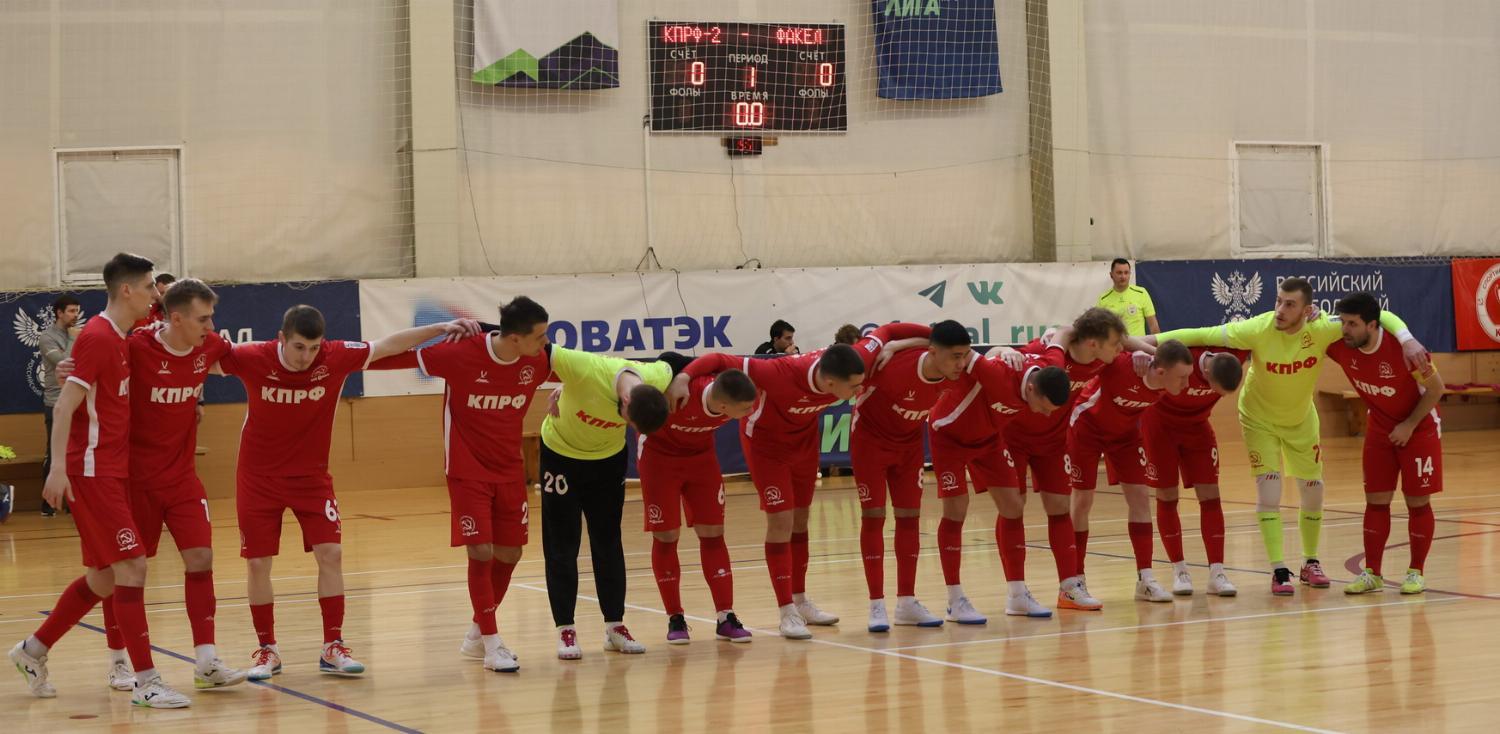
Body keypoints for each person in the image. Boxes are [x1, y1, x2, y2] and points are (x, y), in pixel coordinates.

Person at [217, 305, 479, 680]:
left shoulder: (335, 356)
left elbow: (388, 345)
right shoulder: (253, 357)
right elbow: (202, 360)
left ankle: (333, 645)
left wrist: (439, 327)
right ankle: (267, 649)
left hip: (311, 478)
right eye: (298, 347)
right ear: (281, 339)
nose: (306, 357)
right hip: (257, 478)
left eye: (313, 348)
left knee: (332, 554)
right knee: (258, 563)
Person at [1153, 278, 1428, 595]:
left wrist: (1407, 339)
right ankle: (1278, 570)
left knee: (1314, 492)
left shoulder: (1322, 328)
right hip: (1259, 420)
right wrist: (1144, 341)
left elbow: (1382, 316)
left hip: (1300, 421)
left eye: (1289, 304)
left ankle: (1310, 562)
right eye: (1278, 301)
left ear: (1307, 310)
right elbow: (1199, 334)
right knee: (1270, 491)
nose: (1280, 310)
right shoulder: (1258, 328)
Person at [9, 253, 194, 707]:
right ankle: (146, 682)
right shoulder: (97, 337)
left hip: (113, 470)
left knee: (104, 578)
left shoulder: (119, 335)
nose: (154, 294)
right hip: (92, 472)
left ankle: (33, 650)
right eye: (149, 286)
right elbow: (64, 405)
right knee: (132, 567)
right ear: (127, 290)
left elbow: (174, 318)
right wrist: (57, 469)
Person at [667, 332, 906, 639]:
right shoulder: (779, 371)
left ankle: (800, 599)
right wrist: (684, 377)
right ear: (830, 382)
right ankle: (786, 612)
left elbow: (888, 333)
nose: (859, 390)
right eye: (853, 387)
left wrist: (900, 345)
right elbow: (718, 359)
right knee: (781, 522)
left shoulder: (852, 361)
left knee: (801, 520)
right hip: (766, 447)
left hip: (804, 445)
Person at [369, 297, 552, 673]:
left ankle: (476, 634)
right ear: (515, 338)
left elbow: (587, 371)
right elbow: (386, 359)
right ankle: (492, 643)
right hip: (467, 469)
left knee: (510, 554)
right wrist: (345, 362)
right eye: (540, 336)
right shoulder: (460, 353)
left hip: (510, 471)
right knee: (480, 551)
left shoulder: (538, 360)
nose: (546, 343)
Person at [91, 279, 246, 691]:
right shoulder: (136, 347)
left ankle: (206, 661)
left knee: (201, 557)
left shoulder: (210, 347)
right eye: (203, 319)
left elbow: (253, 358)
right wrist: (68, 367)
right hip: (134, 481)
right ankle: (118, 660)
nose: (211, 327)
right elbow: (94, 366)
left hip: (181, 479)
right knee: (122, 572)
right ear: (176, 319)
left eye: (212, 318)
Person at [541, 345, 678, 660]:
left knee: (608, 542)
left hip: (608, 463)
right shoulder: (585, 367)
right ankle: (565, 629)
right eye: (631, 422)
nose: (628, 426)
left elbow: (677, 360)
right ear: (627, 400)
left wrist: (682, 380)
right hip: (561, 457)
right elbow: (529, 342)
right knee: (563, 545)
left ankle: (615, 626)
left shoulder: (653, 376)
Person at [849, 321, 975, 632]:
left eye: (965, 356)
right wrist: (892, 344)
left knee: (910, 518)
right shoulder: (892, 365)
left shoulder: (956, 370)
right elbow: (856, 369)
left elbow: (939, 338)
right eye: (955, 357)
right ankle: (876, 605)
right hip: (870, 441)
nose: (962, 364)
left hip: (909, 445)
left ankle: (906, 602)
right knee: (874, 517)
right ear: (932, 353)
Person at [928, 350, 1072, 618]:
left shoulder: (1050, 365)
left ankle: (1017, 596)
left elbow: (1061, 335)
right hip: (949, 435)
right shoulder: (999, 374)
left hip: (990, 440)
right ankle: (955, 600)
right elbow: (965, 353)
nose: (1045, 414)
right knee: (956, 509)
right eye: (1043, 407)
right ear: (1031, 388)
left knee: (1013, 506)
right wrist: (999, 351)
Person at [1327, 293, 1444, 596]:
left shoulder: (1406, 352)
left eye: (1352, 324)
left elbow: (1436, 389)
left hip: (1419, 429)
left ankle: (1416, 572)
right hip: (1379, 429)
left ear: (1372, 325)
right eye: (1343, 322)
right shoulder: (1340, 346)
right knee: (1375, 500)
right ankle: (1372, 573)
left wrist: (1409, 425)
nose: (1345, 329)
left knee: (1417, 502)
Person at [1065, 341, 1194, 603]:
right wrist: (1134, 351)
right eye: (1182, 377)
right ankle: (1076, 578)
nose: (1187, 383)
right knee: (1083, 500)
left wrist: (1148, 351)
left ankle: (1145, 579)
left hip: (1124, 436)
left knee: (1140, 499)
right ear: (1161, 371)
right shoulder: (1125, 364)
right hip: (1085, 429)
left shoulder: (1164, 382)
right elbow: (1111, 336)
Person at [639, 366, 759, 644]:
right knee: (666, 535)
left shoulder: (727, 391)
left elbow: (717, 359)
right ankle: (675, 617)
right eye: (745, 409)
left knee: (713, 532)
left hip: (701, 458)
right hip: (659, 458)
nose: (750, 411)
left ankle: (725, 616)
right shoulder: (679, 393)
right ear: (724, 406)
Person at [1139, 347, 1248, 596]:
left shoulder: (1231, 357)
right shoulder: (1184, 358)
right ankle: (1179, 570)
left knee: (1211, 494)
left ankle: (1217, 573)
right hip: (1160, 425)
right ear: (1205, 372)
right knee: (1167, 495)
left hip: (1197, 427)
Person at [38, 295, 81, 516]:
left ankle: (74, 504)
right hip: (55, 401)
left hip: (78, 401)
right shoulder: (47, 337)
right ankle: (48, 505)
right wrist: (74, 340)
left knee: (77, 453)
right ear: (59, 313)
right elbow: (65, 363)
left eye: (77, 311)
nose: (75, 315)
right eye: (71, 311)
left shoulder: (78, 334)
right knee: (54, 454)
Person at [1097, 258, 1159, 336]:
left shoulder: (1141, 293)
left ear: (1130, 274)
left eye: (1126, 273)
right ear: (1111, 275)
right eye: (1119, 273)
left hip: (1139, 343)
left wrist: (1157, 343)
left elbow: (1153, 325)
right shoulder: (1103, 299)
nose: (1123, 276)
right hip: (1116, 344)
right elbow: (1099, 329)